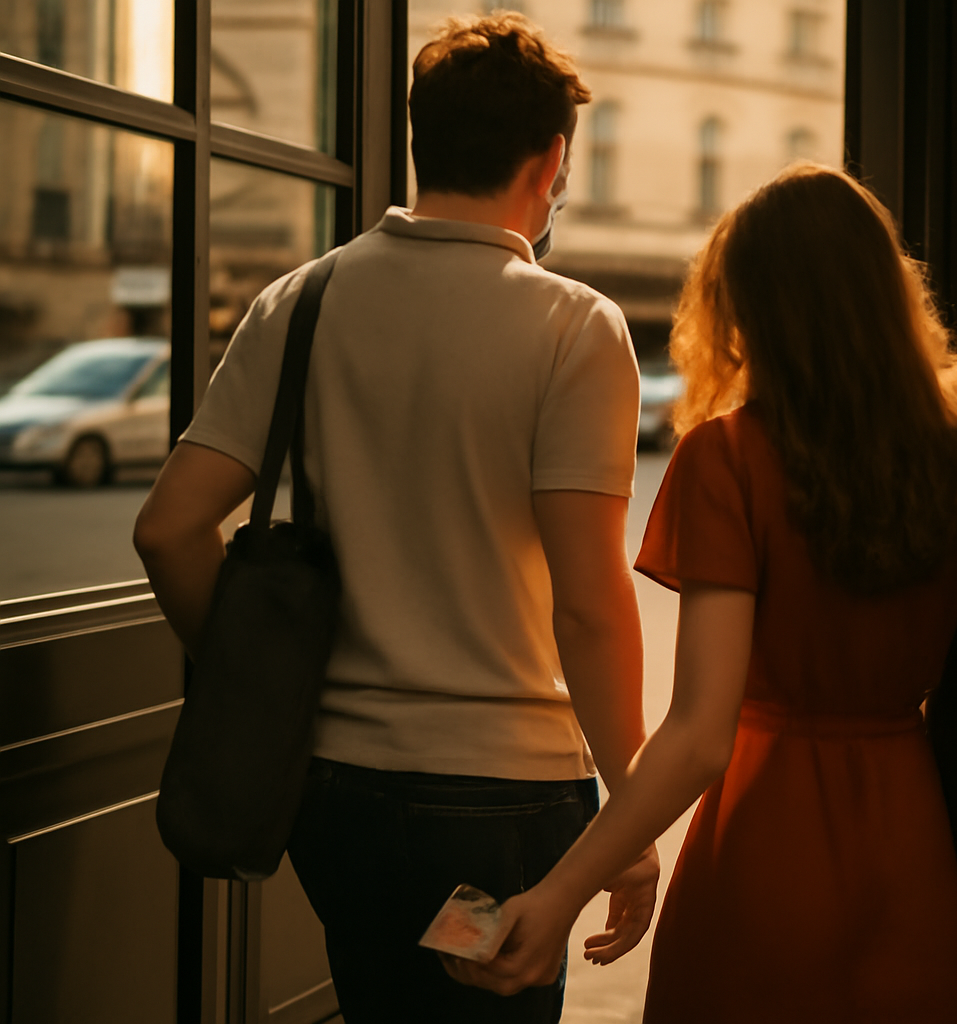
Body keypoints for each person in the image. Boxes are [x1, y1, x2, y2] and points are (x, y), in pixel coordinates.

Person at [442, 163, 957, 1021]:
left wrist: (560, 894)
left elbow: (700, 735)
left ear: (744, 306)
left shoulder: (728, 458)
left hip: (762, 845)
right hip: (912, 849)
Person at [133, 13, 658, 1023]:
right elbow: (590, 609)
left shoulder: (302, 299)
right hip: (506, 801)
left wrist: (266, 687)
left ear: (423, 140)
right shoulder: (574, 327)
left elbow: (167, 528)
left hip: (338, 793)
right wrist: (630, 813)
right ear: (551, 161)